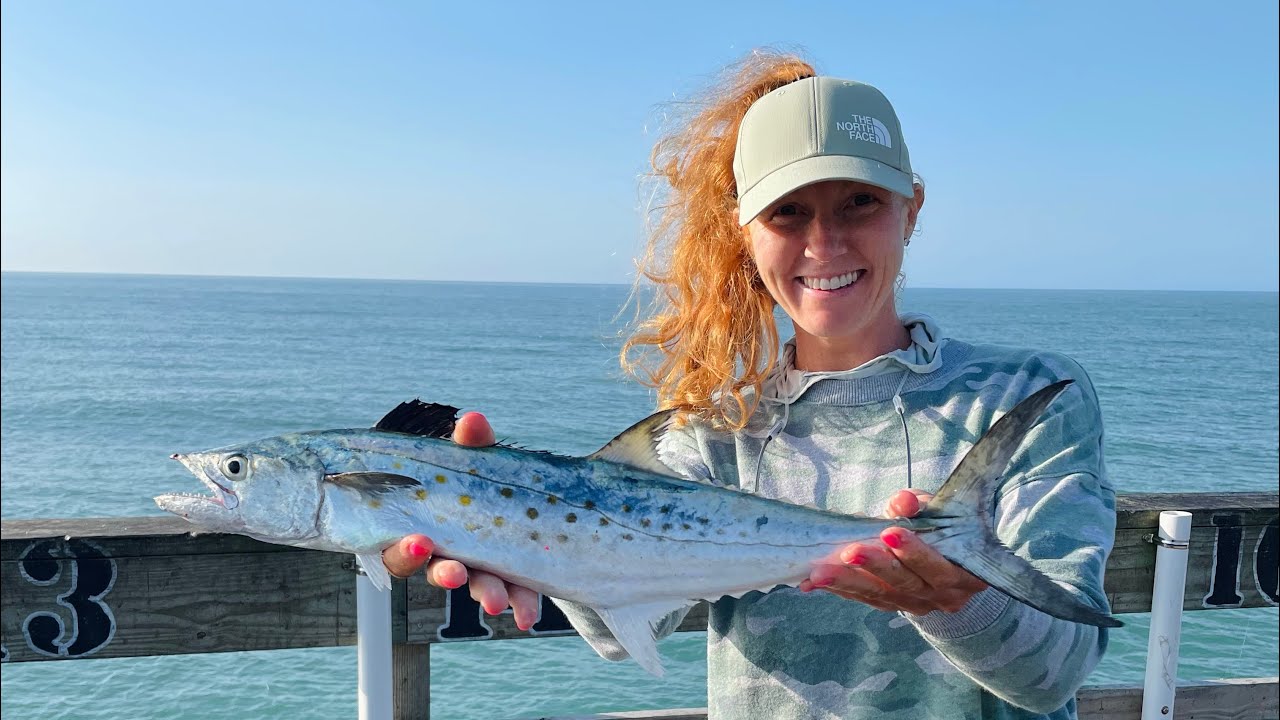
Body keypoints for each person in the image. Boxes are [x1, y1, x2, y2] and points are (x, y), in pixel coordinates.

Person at [383, 52, 1115, 719]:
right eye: (788, 212)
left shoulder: (1026, 393)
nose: (824, 244)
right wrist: (496, 527)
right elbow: (619, 622)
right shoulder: (714, 425)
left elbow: (1055, 674)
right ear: (744, 232)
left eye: (859, 202)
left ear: (911, 210)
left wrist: (961, 597)